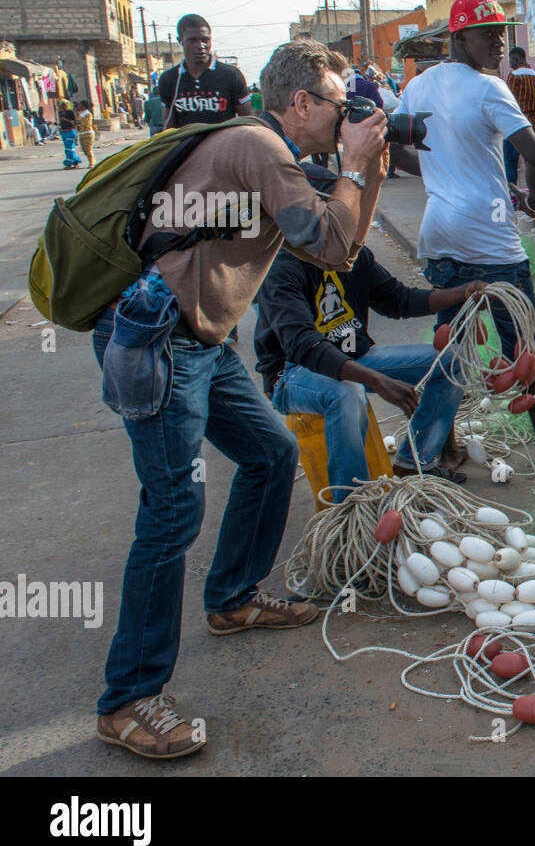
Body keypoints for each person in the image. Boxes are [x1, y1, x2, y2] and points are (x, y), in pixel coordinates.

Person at [91, 40, 390, 759]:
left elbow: (340, 250)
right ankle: (128, 697)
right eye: (339, 102)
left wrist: (366, 168)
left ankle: (230, 597)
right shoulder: (257, 143)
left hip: (203, 340)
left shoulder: (279, 156)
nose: (347, 113)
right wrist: (352, 166)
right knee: (170, 511)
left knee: (269, 451)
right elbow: (319, 236)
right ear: (300, 104)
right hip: (160, 336)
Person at [392, 0, 535, 470]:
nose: (499, 41)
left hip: (439, 238)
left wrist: (443, 177)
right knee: (523, 344)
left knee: (450, 348)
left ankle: (445, 448)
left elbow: (394, 151)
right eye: (487, 33)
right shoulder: (490, 88)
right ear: (458, 37)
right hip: (491, 243)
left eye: (502, 31)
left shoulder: (417, 86)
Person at [255, 246, 487, 498]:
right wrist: (377, 380)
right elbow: (304, 346)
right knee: (346, 392)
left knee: (451, 360)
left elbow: (399, 300)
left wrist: (463, 293)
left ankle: (412, 464)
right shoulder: (283, 268)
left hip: (353, 357)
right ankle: (353, 505)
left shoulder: (352, 253)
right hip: (293, 374)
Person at [158, 14, 255, 129]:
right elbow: (169, 127)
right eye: (192, 40)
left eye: (205, 40)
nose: (200, 46)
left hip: (224, 145)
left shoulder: (231, 75)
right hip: (188, 146)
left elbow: (249, 122)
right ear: (180, 41)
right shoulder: (169, 79)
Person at [504, 46, 535, 187]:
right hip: (533, 126)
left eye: (511, 60)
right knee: (531, 163)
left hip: (514, 125)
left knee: (510, 162)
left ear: (517, 58)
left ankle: (512, 195)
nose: (510, 63)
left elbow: (508, 100)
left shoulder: (514, 76)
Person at [75, 99, 95, 167]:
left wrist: (79, 123)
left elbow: (87, 124)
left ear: (83, 106)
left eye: (80, 105)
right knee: (84, 150)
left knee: (88, 149)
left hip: (88, 133)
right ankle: (91, 160)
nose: (78, 106)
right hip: (81, 133)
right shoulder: (80, 114)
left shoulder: (88, 114)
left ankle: (91, 163)